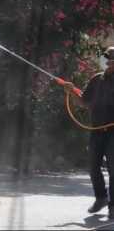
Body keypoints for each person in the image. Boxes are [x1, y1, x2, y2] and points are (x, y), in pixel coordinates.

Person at [64, 46, 114, 219]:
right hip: (97, 131)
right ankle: (100, 198)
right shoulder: (96, 79)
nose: (107, 60)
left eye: (110, 57)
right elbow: (84, 102)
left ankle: (113, 206)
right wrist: (71, 91)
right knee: (93, 167)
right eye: (106, 57)